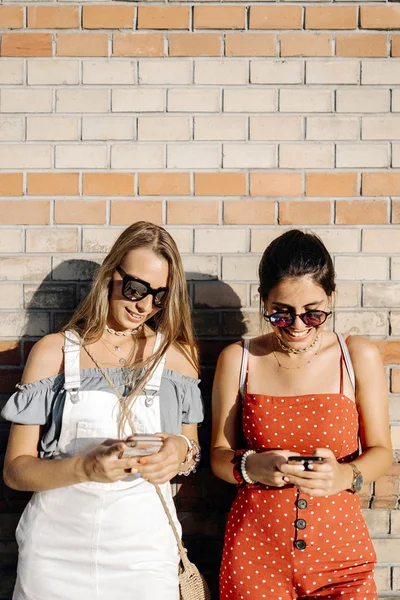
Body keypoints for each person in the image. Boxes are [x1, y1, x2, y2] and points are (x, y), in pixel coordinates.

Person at [2, 221, 204, 600]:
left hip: (145, 554)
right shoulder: (54, 353)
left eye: (159, 296)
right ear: (110, 275)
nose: (144, 305)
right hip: (55, 554)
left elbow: (192, 453)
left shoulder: (178, 357)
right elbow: (16, 470)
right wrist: (86, 467)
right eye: (135, 289)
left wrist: (179, 451)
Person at [211, 229, 392, 600]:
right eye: (281, 313)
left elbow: (381, 451)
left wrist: (345, 474)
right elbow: (217, 455)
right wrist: (251, 466)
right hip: (256, 556)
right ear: (263, 301)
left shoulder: (357, 356)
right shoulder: (239, 359)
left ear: (331, 298)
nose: (297, 326)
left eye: (313, 314)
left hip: (342, 559)